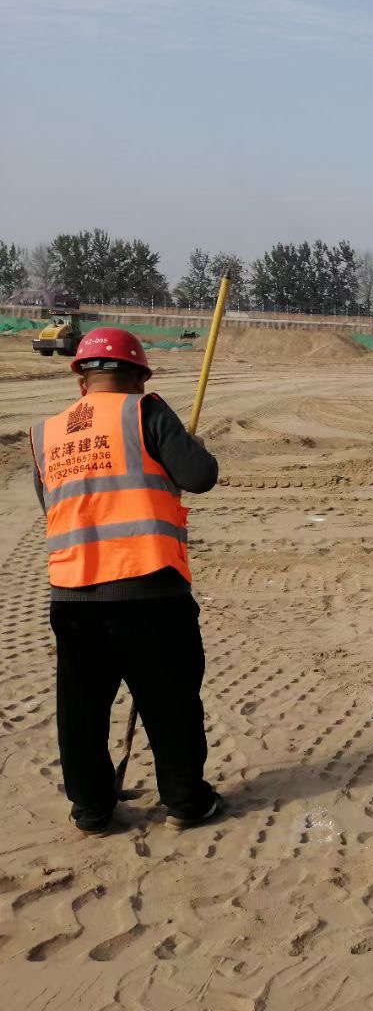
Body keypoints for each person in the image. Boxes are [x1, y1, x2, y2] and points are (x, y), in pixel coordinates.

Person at [29, 327, 224, 835]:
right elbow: (199, 475)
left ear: (81, 381)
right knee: (172, 703)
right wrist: (190, 447)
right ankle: (185, 802)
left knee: (82, 710)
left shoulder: (45, 433)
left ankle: (92, 810)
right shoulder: (146, 412)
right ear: (138, 377)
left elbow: (51, 502)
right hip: (149, 590)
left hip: (73, 595)